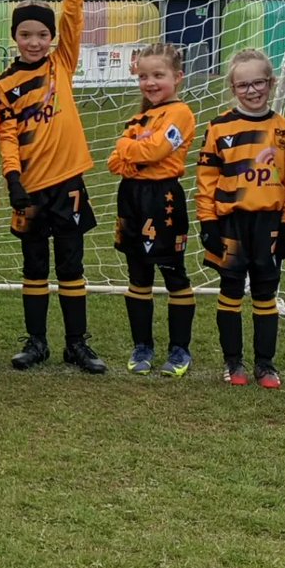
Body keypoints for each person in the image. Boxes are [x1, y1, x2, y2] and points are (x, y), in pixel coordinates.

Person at [0, 0, 106, 374]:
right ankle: (37, 341)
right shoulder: (4, 84)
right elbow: (5, 134)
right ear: (14, 37)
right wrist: (12, 179)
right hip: (31, 188)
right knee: (35, 266)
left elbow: (74, 14)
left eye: (42, 33)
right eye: (26, 34)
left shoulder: (61, 62)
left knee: (72, 266)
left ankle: (77, 344)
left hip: (69, 184)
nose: (35, 41)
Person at [196, 49, 285, 388]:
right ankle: (233, 362)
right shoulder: (219, 128)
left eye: (259, 82)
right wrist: (208, 223)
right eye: (243, 85)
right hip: (231, 224)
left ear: (271, 83)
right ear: (232, 86)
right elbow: (206, 180)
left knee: (265, 293)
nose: (252, 90)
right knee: (229, 290)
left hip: (269, 224)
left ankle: (266, 364)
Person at [108, 43, 197, 378]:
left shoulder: (180, 114)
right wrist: (132, 152)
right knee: (138, 274)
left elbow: (157, 149)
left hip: (163, 198)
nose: (150, 82)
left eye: (158, 75)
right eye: (143, 76)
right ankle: (142, 346)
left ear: (177, 77)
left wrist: (128, 148)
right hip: (131, 196)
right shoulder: (140, 117)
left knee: (173, 272)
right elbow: (114, 162)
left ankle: (180, 349)